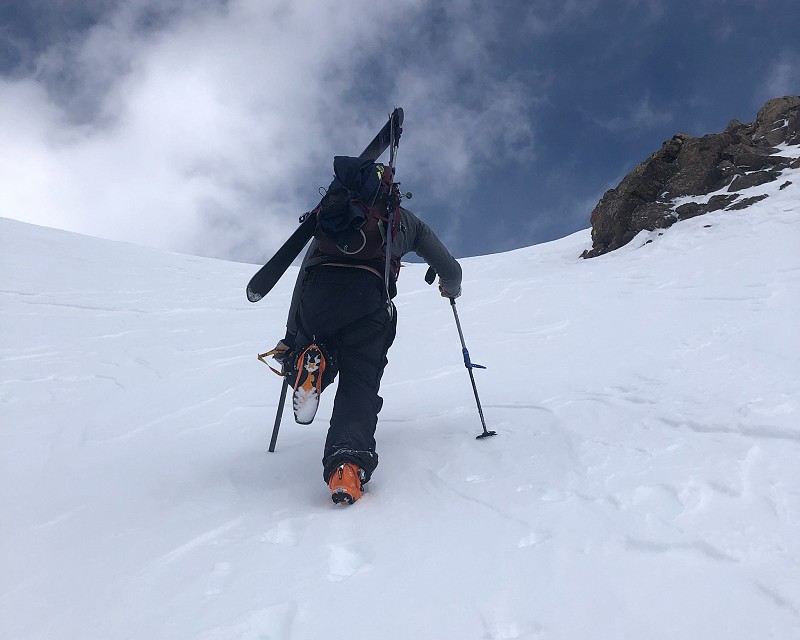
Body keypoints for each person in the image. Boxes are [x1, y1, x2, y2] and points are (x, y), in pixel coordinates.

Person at [271, 161, 462, 505]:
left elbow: (303, 276)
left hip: (317, 296)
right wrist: (450, 288)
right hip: (368, 302)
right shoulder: (402, 220)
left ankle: (312, 363)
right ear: (391, 189)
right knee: (359, 383)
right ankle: (345, 466)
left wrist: (292, 334)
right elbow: (450, 267)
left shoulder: (328, 216)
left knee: (311, 349)